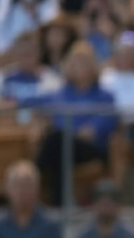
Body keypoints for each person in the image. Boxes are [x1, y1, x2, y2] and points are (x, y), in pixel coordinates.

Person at [21, 42, 119, 205]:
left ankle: (33, 177)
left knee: (56, 139)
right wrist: (4, 102)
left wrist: (75, 132)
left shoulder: (104, 96)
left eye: (84, 62)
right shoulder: (60, 94)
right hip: (61, 146)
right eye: (75, 62)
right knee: (58, 148)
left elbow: (100, 127)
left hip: (91, 148)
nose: (79, 67)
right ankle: (61, 202)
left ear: (93, 66)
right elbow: (30, 102)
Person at [0, 31, 63, 103]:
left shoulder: (52, 80)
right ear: (15, 53)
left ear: (39, 53)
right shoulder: (0, 77)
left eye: (30, 52)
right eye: (22, 52)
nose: (26, 57)